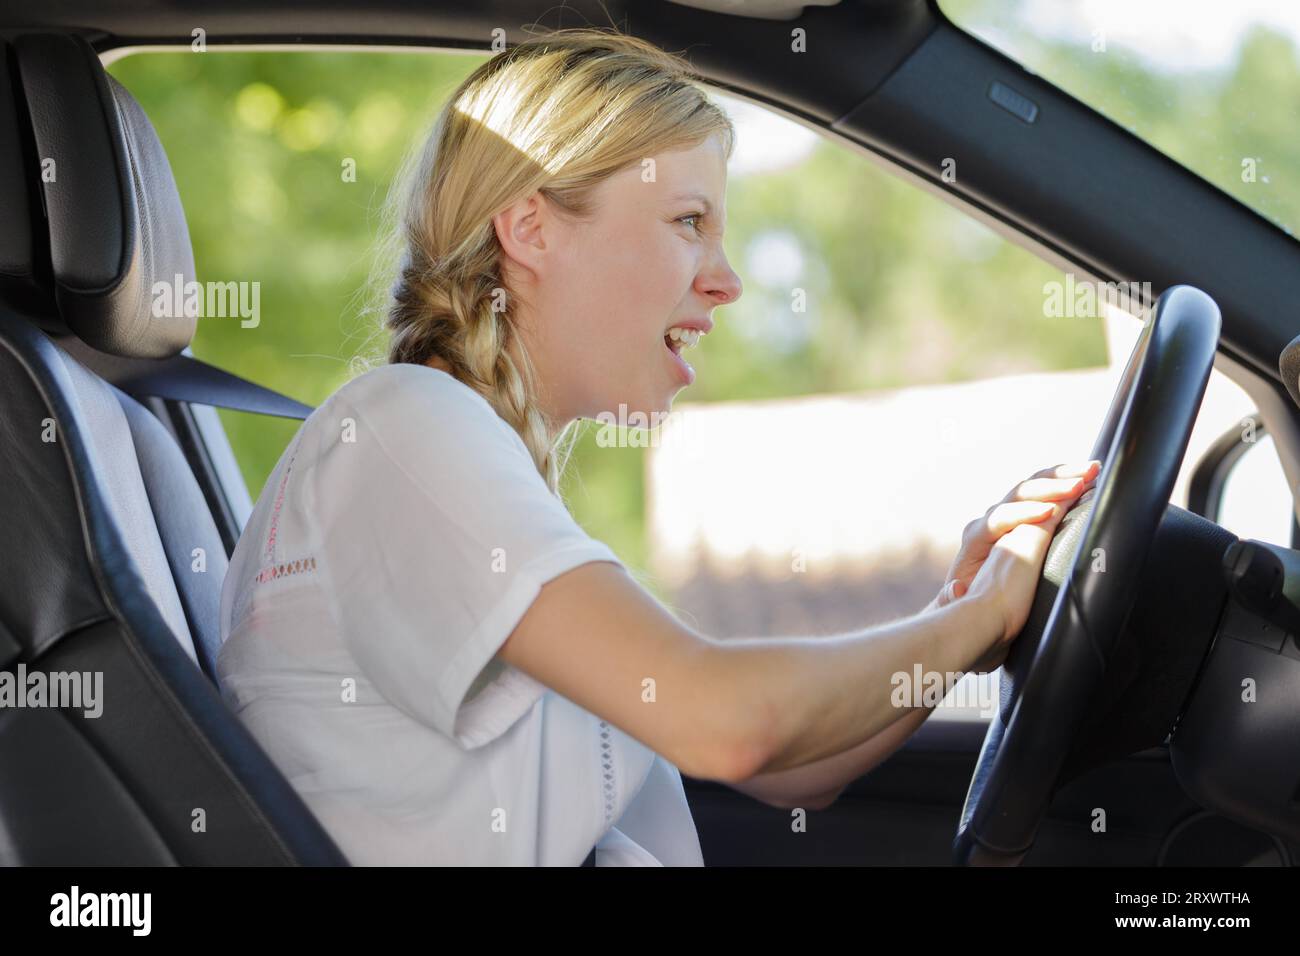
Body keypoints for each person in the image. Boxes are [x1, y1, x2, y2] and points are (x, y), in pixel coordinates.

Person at [216, 25, 1101, 866]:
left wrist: (961, 606)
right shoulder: (405, 428)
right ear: (529, 228)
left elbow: (788, 767)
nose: (729, 282)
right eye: (688, 222)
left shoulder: (470, 469)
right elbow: (724, 722)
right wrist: (977, 617)